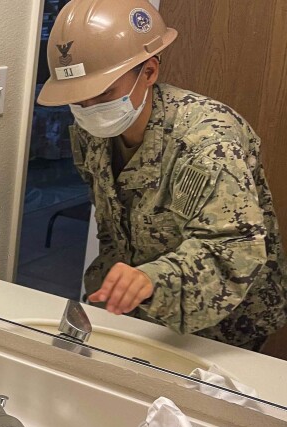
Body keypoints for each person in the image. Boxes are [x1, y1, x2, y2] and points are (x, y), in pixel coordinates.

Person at [37, 0, 287, 351]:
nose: (89, 110)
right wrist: (116, 288)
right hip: (140, 312)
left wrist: (152, 279)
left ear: (149, 72)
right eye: (78, 99)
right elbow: (112, 224)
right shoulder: (90, 136)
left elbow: (233, 250)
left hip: (225, 324)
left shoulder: (208, 139)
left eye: (104, 93)